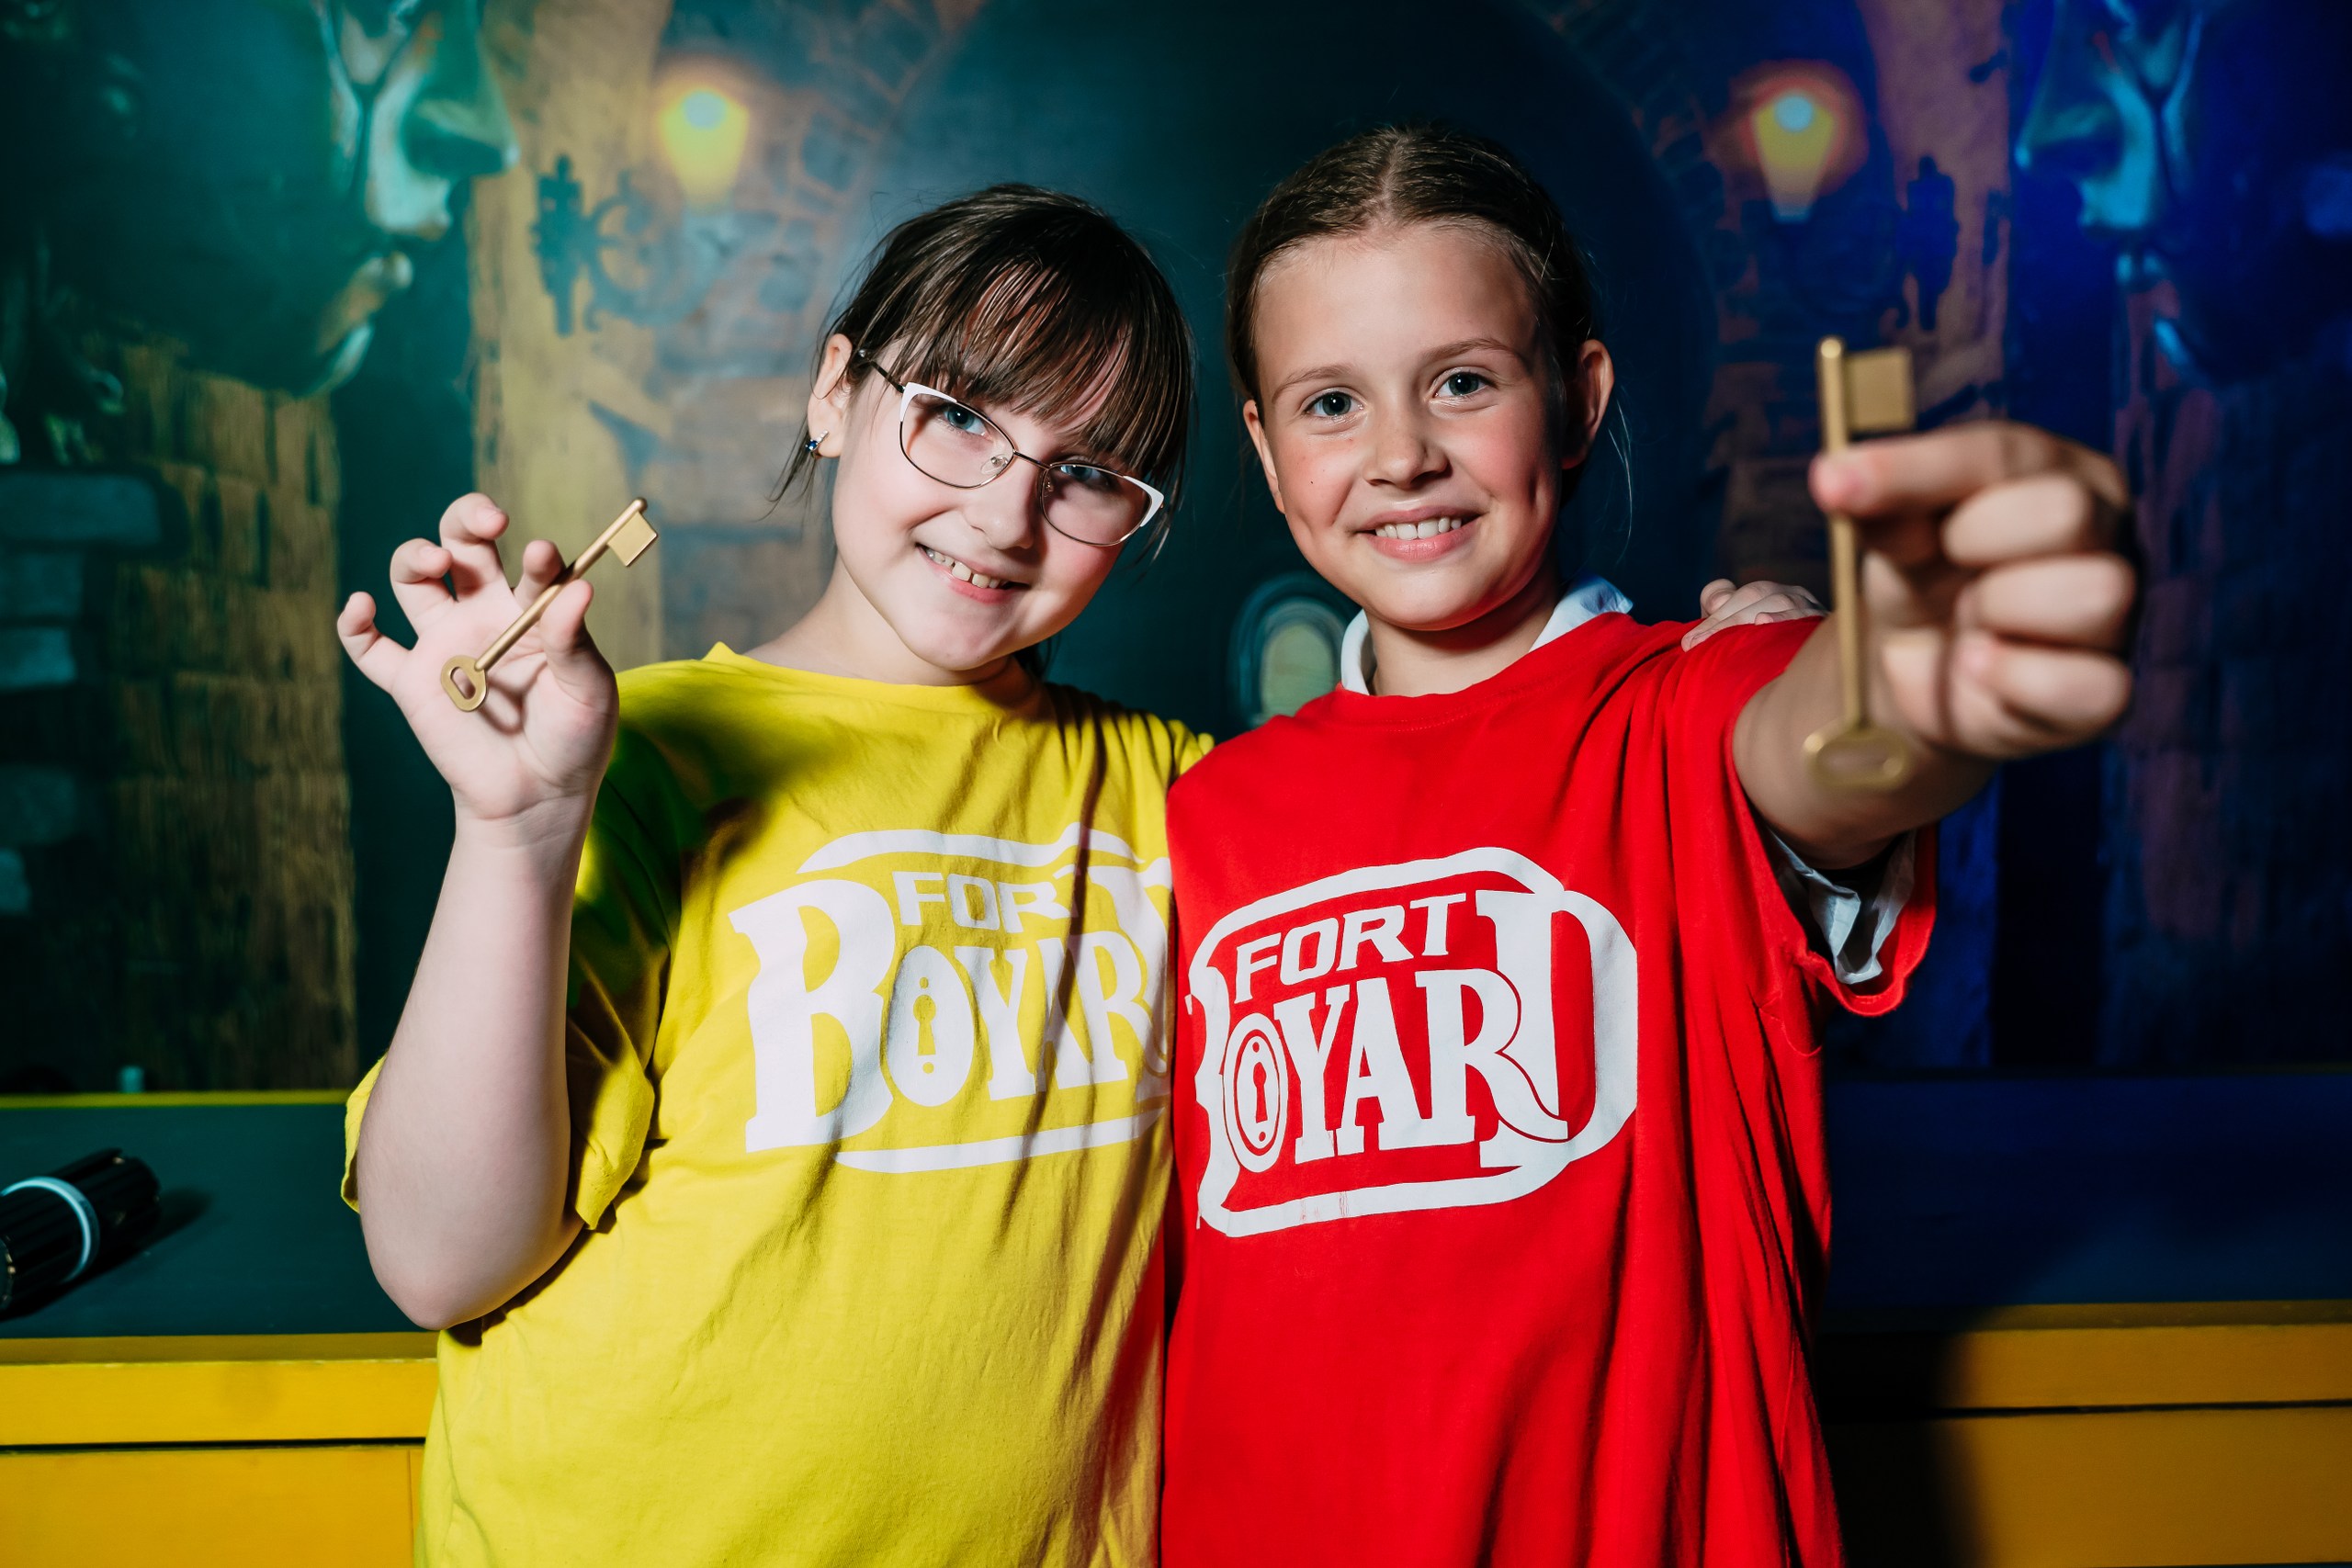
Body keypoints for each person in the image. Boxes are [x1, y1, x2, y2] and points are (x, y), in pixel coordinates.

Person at [1160, 124, 2134, 1565]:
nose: (1402, 455)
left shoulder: (1685, 710)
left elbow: (1832, 742)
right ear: (1263, 447)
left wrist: (1921, 677)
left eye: (1464, 381)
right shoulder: (1206, 813)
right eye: (1332, 403)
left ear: (1578, 396)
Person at [333, 186, 1204, 1568]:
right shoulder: (634, 758)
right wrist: (518, 833)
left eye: (1087, 472)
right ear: (835, 393)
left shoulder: (1181, 800)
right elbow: (440, 1262)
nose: (1006, 513)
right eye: (959, 416)